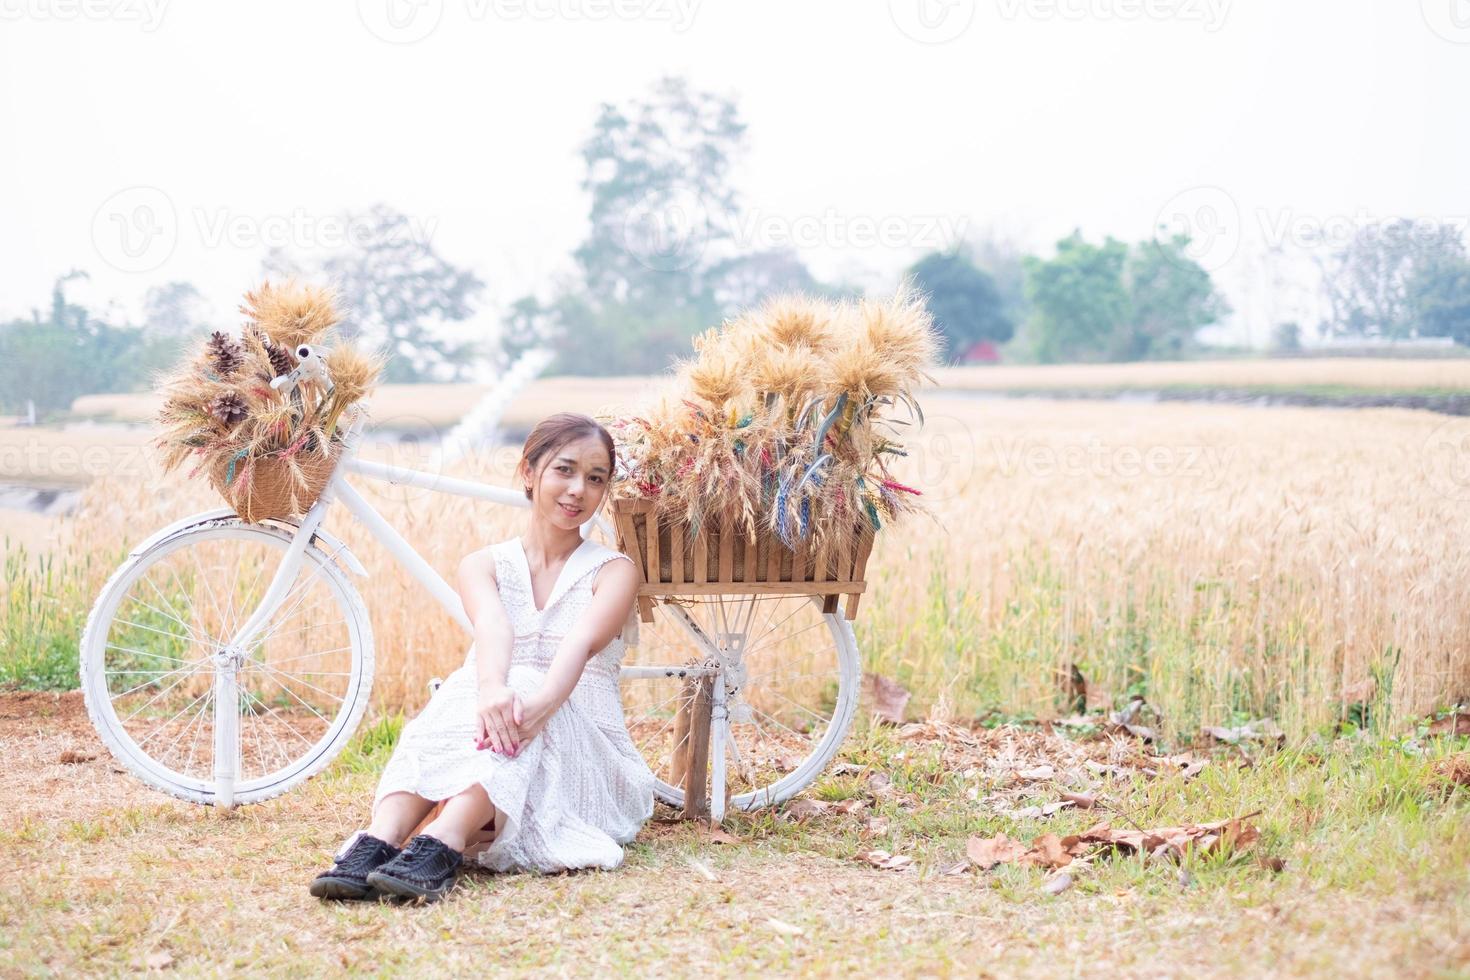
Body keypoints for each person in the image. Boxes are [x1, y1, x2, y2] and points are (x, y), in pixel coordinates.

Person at [310, 412, 654, 902]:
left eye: (595, 479)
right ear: (529, 473)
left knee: (525, 688)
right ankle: (379, 839)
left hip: (582, 738)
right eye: (565, 470)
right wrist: (492, 690)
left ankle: (445, 839)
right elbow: (495, 629)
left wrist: (541, 703)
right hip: (490, 715)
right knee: (469, 687)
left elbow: (577, 646)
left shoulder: (613, 571)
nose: (579, 489)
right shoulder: (483, 565)